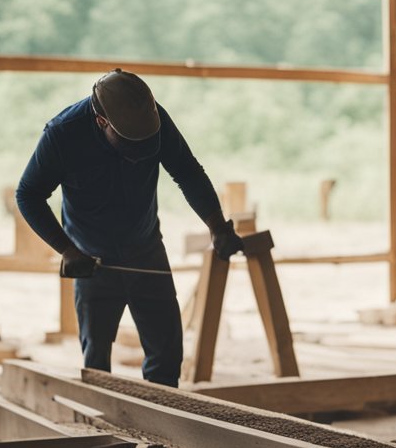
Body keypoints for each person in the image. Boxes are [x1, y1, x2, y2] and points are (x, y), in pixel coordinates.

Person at [16, 69, 244, 387]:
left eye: (147, 143)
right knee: (97, 364)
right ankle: (105, 433)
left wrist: (217, 225)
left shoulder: (155, 119)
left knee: (167, 356)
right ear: (101, 122)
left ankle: (163, 430)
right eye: (131, 143)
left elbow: (187, 172)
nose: (140, 153)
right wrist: (66, 249)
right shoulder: (62, 134)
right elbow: (28, 194)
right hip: (91, 260)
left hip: (146, 249)